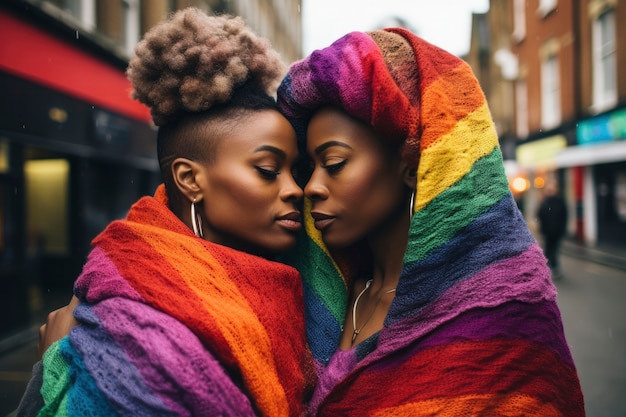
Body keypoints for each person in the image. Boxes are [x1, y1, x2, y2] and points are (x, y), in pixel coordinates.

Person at [16, 8, 315, 416]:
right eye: (268, 170)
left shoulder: (301, 282)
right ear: (190, 179)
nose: (295, 190)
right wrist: (54, 372)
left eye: (295, 172)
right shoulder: (123, 315)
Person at [277, 28, 586, 415]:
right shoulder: (315, 298)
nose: (312, 188)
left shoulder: (503, 314)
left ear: (412, 164)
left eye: (335, 163)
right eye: (310, 167)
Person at [537, 182, 568, 279]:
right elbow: (540, 215)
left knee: (553, 250)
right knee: (549, 250)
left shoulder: (559, 202)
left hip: (556, 232)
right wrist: (543, 228)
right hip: (548, 232)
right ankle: (550, 267)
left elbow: (564, 216)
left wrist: (562, 229)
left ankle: (551, 267)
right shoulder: (546, 202)